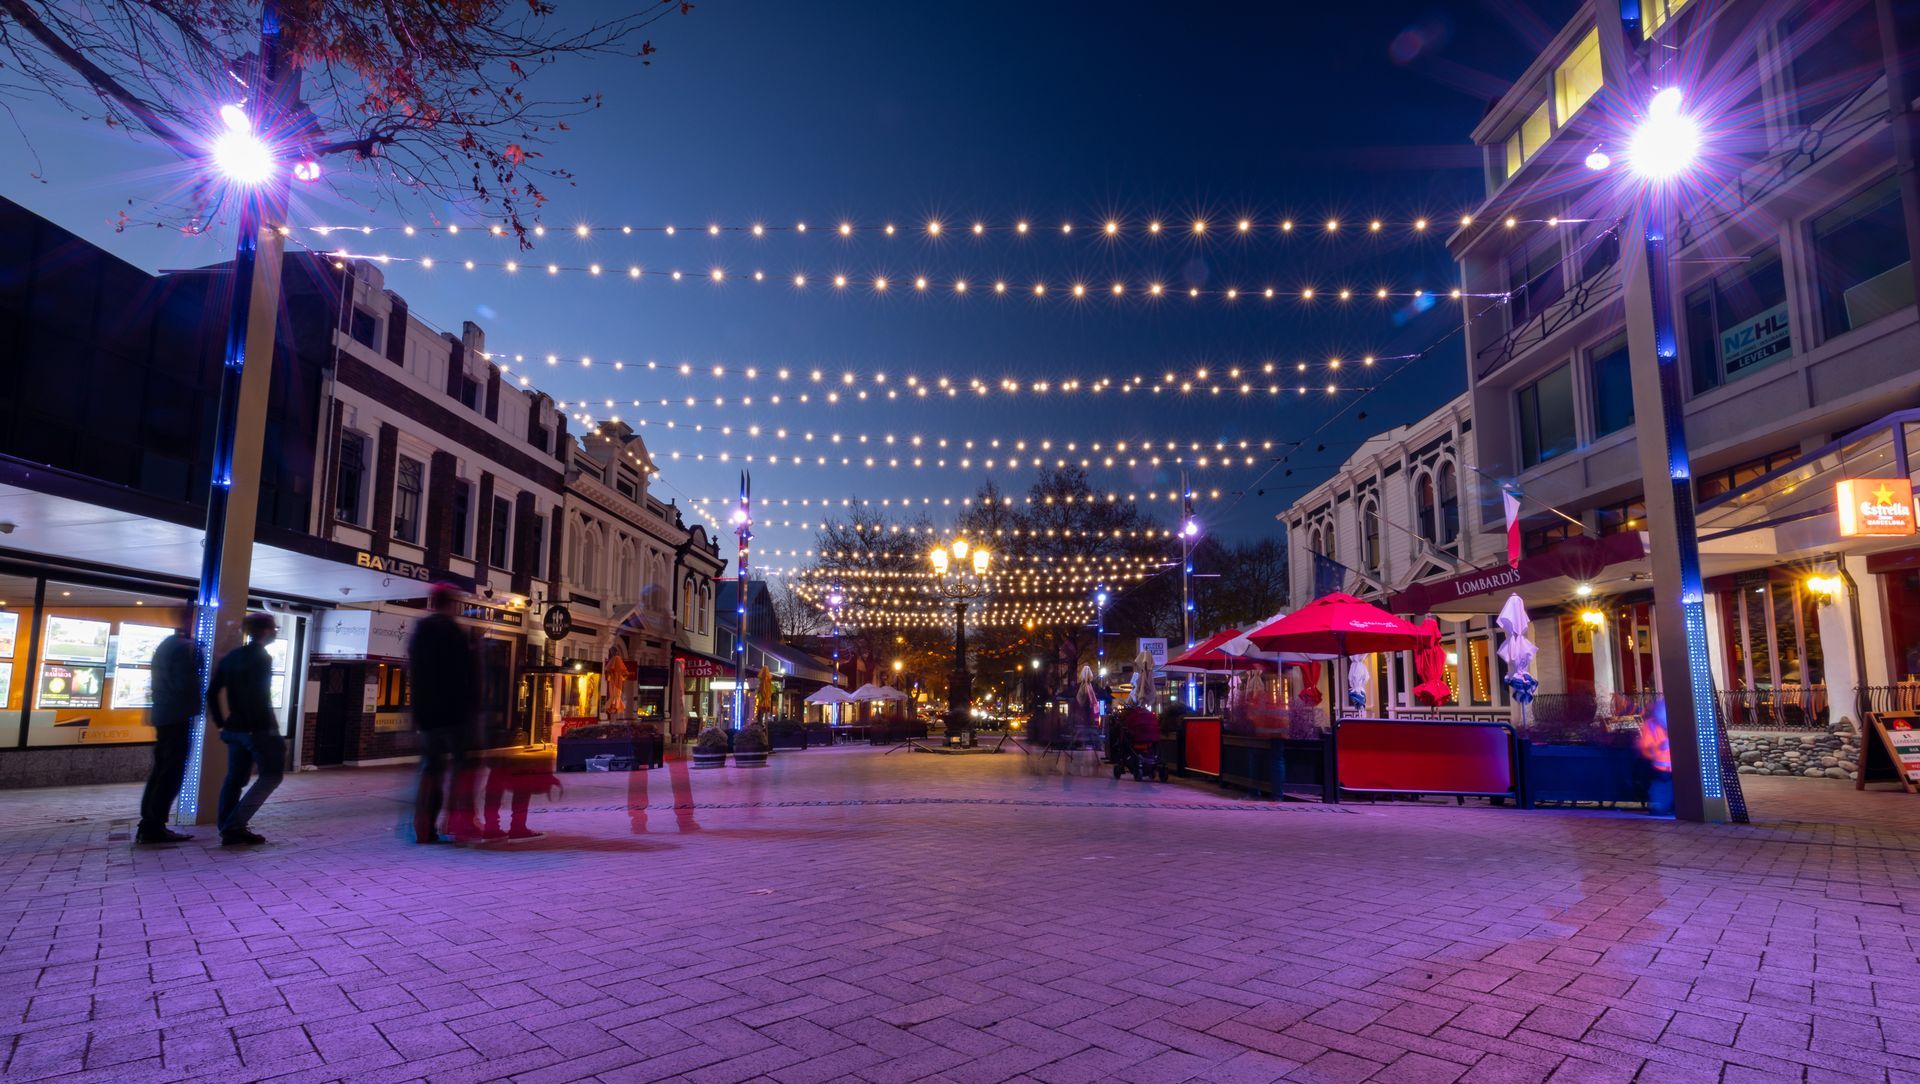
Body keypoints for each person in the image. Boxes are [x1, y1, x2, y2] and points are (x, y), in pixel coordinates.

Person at [206, 612, 283, 846]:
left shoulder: (232, 656)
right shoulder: (261, 657)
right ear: (266, 631)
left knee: (235, 779)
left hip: (234, 728)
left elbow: (211, 692)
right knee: (271, 776)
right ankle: (235, 825)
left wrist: (222, 723)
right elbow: (259, 696)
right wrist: (267, 729)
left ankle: (227, 826)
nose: (275, 632)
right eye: (274, 629)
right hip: (255, 729)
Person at [409, 584, 478, 844]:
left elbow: (415, 673)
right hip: (455, 713)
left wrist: (416, 713)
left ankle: (424, 827)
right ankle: (458, 821)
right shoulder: (455, 632)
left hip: (427, 715)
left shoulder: (420, 630)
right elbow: (465, 676)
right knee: (462, 767)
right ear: (450, 603)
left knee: (431, 769)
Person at [135, 621, 201, 845]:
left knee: (161, 770)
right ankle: (154, 826)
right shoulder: (185, 649)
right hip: (177, 715)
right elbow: (185, 685)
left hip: (164, 714)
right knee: (171, 772)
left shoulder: (166, 646)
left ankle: (149, 824)